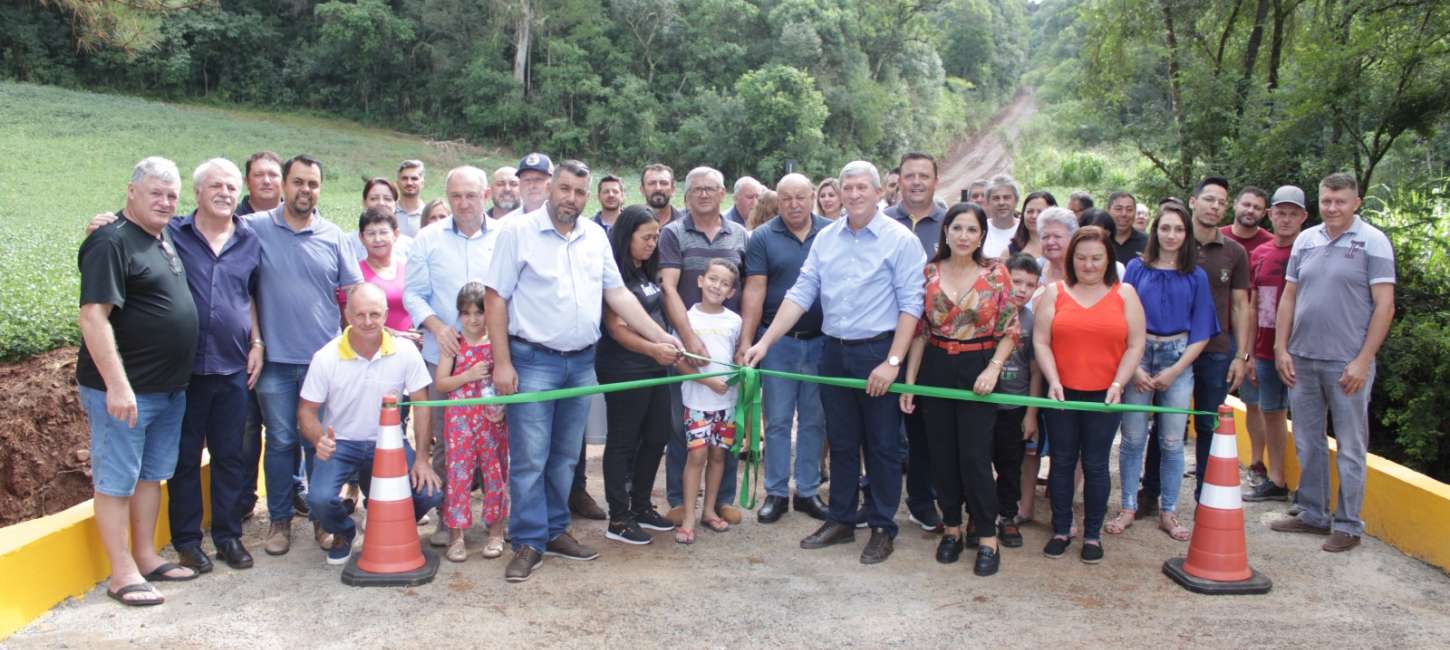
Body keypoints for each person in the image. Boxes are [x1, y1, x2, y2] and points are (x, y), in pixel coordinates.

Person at [484, 159, 681, 582]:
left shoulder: (595, 236)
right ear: (551, 188)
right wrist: (502, 363)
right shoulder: (516, 233)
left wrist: (661, 337)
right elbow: (495, 297)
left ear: (586, 196)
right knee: (530, 458)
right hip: (532, 360)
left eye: (579, 192)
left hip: (580, 363)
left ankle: (556, 531)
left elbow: (618, 296)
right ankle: (528, 540)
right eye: (565, 189)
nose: (571, 199)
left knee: (564, 456)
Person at [744, 160, 927, 565]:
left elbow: (912, 305)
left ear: (879, 193)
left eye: (863, 187)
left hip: (878, 353)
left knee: (881, 445)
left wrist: (893, 362)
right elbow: (801, 292)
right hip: (835, 352)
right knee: (841, 442)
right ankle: (842, 519)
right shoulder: (827, 239)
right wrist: (765, 342)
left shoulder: (900, 240)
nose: (855, 194)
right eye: (848, 188)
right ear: (839, 194)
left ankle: (882, 527)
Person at [78, 156, 201, 606]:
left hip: (168, 390)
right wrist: (117, 384)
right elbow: (93, 317)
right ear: (131, 192)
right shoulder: (110, 241)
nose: (166, 202)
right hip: (125, 391)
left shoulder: (162, 236)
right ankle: (121, 571)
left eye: (172, 195)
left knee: (151, 477)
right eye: (156, 193)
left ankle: (147, 555)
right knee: (116, 480)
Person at [1270, 173, 1395, 553]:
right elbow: (1289, 296)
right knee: (1307, 441)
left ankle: (1348, 524)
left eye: (1340, 201)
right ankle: (1312, 513)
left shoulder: (1373, 241)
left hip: (1346, 364)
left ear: (1356, 202)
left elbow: (1385, 305)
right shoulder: (1306, 240)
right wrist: (1281, 348)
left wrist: (1363, 359)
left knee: (1351, 445)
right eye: (1326, 201)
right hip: (1302, 359)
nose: (1332, 208)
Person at [898, 202, 1020, 576]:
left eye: (972, 230)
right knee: (942, 454)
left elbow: (1010, 328)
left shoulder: (996, 273)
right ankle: (951, 526)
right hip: (936, 364)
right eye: (957, 228)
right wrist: (911, 382)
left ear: (982, 235)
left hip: (978, 366)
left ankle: (986, 534)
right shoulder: (929, 272)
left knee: (974, 456)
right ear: (945, 232)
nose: (964, 236)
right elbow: (919, 331)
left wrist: (993, 369)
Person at [249, 155, 362, 556]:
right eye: (298, 182)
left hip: (324, 363)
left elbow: (353, 293)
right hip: (275, 361)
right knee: (280, 441)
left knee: (321, 443)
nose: (305, 191)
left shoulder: (334, 235)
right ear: (283, 184)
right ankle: (280, 521)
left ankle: (322, 520)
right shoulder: (254, 228)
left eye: (313, 184)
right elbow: (198, 232)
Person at [165, 158, 263, 575]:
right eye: (215, 186)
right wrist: (104, 223)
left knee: (230, 455)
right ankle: (187, 542)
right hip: (183, 370)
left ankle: (227, 537)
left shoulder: (250, 239)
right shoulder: (171, 235)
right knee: (184, 459)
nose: (224, 193)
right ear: (198, 193)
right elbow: (127, 230)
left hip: (232, 368)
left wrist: (257, 341)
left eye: (230, 186)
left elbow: (251, 295)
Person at [299, 283, 442, 565]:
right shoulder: (325, 357)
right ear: (347, 314)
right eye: (360, 314)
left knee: (430, 492)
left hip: (389, 445)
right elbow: (306, 410)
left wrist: (422, 459)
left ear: (386, 314)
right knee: (318, 499)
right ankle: (344, 530)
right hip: (341, 443)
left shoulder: (405, 351)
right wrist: (319, 439)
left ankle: (386, 524)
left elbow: (422, 405)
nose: (367, 322)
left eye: (375, 314)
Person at [1139, 176, 1251, 516]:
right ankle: (1150, 494)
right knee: (1164, 422)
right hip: (1167, 349)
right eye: (1209, 200)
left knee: (1206, 424)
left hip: (1215, 351)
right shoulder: (1168, 243)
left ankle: (1205, 498)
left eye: (1221, 202)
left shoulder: (1234, 252)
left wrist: (1241, 355)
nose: (1215, 207)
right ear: (1194, 201)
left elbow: (1240, 305)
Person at [1033, 226, 1146, 563]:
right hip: (1061, 393)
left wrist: (1118, 382)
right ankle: (1061, 528)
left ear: (1108, 259)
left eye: (1097, 258)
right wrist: (1053, 379)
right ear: (1072, 259)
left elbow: (1136, 343)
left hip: (1105, 394)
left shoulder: (1125, 294)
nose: (1089, 264)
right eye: (1081, 258)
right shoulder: (1055, 293)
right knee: (1062, 462)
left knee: (1096, 465)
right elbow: (1041, 340)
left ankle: (1092, 534)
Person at [404, 165, 500, 546]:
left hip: (492, 357)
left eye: (471, 195)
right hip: (441, 354)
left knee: (494, 439)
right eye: (456, 196)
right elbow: (413, 293)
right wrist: (438, 327)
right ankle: (448, 519)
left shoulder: (504, 237)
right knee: (447, 441)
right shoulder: (427, 238)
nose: (463, 203)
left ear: (486, 196)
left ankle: (496, 522)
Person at [1110, 202, 1217, 542]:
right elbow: (1122, 322)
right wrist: (1135, 368)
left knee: (1172, 441)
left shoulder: (1196, 276)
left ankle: (1168, 511)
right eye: (1165, 228)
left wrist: (1175, 370)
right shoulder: (1136, 269)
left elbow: (1202, 332)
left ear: (1187, 236)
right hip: (1138, 355)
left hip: (1177, 356)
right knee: (1132, 439)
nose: (1171, 235)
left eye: (1178, 229)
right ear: (1156, 231)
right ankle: (1127, 505)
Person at [659, 166, 750, 526]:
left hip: (726, 344)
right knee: (681, 430)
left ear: (723, 192)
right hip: (685, 343)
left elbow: (752, 288)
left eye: (711, 188)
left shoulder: (742, 235)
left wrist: (745, 342)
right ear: (686, 195)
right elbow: (668, 287)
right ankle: (682, 501)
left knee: (724, 437)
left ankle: (720, 501)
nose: (704, 194)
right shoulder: (672, 233)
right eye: (696, 189)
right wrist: (689, 337)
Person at [739, 174, 830, 524]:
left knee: (814, 421)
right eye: (787, 198)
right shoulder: (763, 236)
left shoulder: (831, 232)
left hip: (822, 342)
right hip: (777, 344)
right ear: (778, 201)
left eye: (801, 197)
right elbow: (755, 290)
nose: (794, 204)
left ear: (812, 198)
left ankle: (807, 491)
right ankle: (776, 492)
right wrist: (748, 341)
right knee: (776, 421)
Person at [598, 206, 682, 544]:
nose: (652, 243)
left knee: (656, 436)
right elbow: (616, 329)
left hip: (655, 368)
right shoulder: (614, 275)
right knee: (623, 440)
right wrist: (652, 349)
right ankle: (618, 517)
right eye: (646, 237)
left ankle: (642, 505)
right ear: (626, 236)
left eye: (656, 237)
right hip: (623, 368)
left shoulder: (646, 272)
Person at [885, 152, 947, 533]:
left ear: (936, 181)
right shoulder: (880, 221)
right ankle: (877, 499)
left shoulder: (950, 224)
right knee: (880, 429)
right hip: (883, 336)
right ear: (899, 181)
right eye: (910, 176)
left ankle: (922, 501)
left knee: (924, 429)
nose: (917, 182)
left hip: (933, 341)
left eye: (924, 176)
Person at [432, 282, 508, 562]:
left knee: (495, 473)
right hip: (459, 420)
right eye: (466, 313)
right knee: (458, 476)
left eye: (479, 312)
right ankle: (456, 535)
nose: (473, 319)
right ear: (458, 314)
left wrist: (502, 408)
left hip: (492, 418)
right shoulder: (453, 343)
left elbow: (507, 380)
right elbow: (441, 383)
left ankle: (496, 531)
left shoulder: (498, 342)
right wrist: (468, 375)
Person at [1242, 186, 1309, 502]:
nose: (1285, 219)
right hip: (1266, 349)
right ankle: (1277, 478)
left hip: (1302, 350)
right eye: (1280, 213)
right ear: (1270, 215)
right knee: (1271, 411)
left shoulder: (1310, 249)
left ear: (1303, 217)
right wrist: (1250, 352)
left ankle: (1309, 488)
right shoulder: (1260, 253)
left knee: (1308, 419)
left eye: (1292, 214)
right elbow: (1255, 304)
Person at [674, 259, 744, 544]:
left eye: (725, 283)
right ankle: (688, 515)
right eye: (713, 279)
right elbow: (679, 363)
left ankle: (709, 510)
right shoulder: (687, 319)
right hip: (697, 401)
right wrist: (708, 382)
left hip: (727, 403)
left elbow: (736, 356)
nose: (717, 286)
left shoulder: (735, 321)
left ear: (731, 292)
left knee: (718, 456)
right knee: (697, 456)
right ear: (701, 281)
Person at [236, 151, 283, 522]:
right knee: (248, 426)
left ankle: (293, 489)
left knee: (289, 428)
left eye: (273, 175)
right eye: (259, 175)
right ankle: (244, 496)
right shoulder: (230, 223)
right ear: (248, 180)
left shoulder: (299, 219)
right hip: (243, 345)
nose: (267, 181)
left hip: (288, 345)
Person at [1220, 186, 1274, 485]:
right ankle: (1212, 455)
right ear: (1236, 205)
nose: (1250, 210)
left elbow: (1266, 298)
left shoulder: (1268, 244)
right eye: (1246, 204)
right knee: (1213, 398)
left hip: (1251, 336)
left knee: (1255, 402)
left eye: (1257, 207)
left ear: (1264, 213)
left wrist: (1253, 346)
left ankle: (1256, 462)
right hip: (1215, 332)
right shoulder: (1218, 237)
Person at [1000, 254, 1044, 534]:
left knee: (1010, 465)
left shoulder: (1032, 321)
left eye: (1029, 285)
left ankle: (1007, 516)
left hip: (1015, 406)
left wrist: (1031, 415)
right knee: (977, 461)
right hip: (982, 403)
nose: (1021, 289)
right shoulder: (989, 311)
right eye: (1016, 281)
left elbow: (1036, 371)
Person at [353, 178, 413, 263]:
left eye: (387, 199)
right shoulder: (348, 244)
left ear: (395, 204)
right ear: (364, 202)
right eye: (374, 198)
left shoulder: (409, 245)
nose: (381, 203)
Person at [983, 175, 1021, 259]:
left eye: (1007, 197)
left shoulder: (1024, 229)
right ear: (988, 202)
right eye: (996, 198)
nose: (1001, 202)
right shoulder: (981, 229)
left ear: (1016, 201)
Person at [1010, 190, 1055, 260]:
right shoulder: (1011, 251)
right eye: (1030, 211)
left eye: (1040, 212)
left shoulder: (1062, 246)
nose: (1034, 216)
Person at [505, 152, 552, 219]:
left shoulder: (566, 221)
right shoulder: (506, 224)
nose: (532, 186)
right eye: (526, 180)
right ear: (519, 184)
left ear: (552, 183)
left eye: (538, 179)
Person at [1107, 191, 1147, 262]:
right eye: (1118, 209)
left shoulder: (1147, 242)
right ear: (1108, 210)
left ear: (1134, 212)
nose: (1124, 214)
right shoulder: (1101, 240)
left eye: (1129, 210)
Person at [641, 163, 684, 228]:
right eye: (652, 183)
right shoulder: (632, 223)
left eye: (664, 183)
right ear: (642, 190)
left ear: (673, 190)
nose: (658, 188)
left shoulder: (684, 224)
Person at [396, 160, 426, 236]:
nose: (409, 183)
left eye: (414, 178)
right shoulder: (388, 212)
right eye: (404, 178)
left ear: (422, 183)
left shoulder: (429, 214)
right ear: (398, 182)